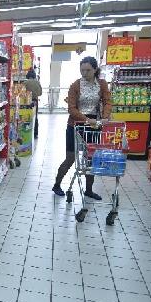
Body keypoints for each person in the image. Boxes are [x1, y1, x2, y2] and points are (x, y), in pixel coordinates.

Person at [52, 56, 112, 200]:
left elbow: (108, 101)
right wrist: (87, 120)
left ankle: (89, 190)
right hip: (75, 125)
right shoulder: (75, 85)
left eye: (88, 70)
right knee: (71, 158)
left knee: (90, 158)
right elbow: (71, 109)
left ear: (95, 69)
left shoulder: (102, 84)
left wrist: (104, 116)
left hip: (94, 126)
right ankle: (57, 185)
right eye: (82, 70)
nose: (84, 73)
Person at [23, 69, 42, 138]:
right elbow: (40, 93)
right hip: (35, 101)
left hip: (27, 102)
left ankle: (27, 132)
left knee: (27, 116)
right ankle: (35, 133)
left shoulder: (25, 83)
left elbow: (22, 93)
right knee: (35, 116)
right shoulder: (37, 83)